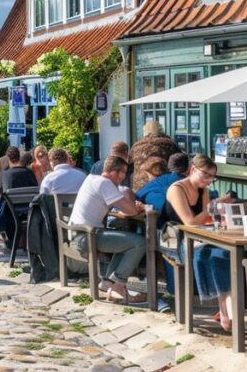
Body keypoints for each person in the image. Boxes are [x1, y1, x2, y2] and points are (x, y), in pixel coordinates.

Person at [161, 154, 233, 330]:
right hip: (173, 239)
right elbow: (190, 222)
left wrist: (219, 216)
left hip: (198, 237)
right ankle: (228, 311)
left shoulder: (204, 190)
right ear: (193, 169)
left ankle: (226, 309)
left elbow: (206, 221)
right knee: (205, 255)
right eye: (206, 175)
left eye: (212, 177)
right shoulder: (176, 189)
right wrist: (211, 208)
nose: (209, 180)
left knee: (222, 253)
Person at [70, 156, 146, 303]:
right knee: (140, 243)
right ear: (117, 172)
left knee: (125, 245)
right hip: (87, 236)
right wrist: (133, 204)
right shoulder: (105, 183)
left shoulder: (92, 178)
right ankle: (118, 285)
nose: (124, 177)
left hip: (78, 233)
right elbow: (131, 211)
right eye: (124, 172)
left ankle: (106, 285)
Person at [130, 121, 180, 191]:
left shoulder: (136, 147)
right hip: (165, 187)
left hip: (140, 187)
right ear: (161, 131)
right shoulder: (171, 145)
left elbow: (130, 166)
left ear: (145, 132)